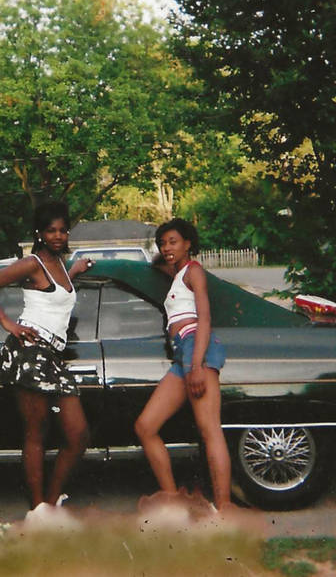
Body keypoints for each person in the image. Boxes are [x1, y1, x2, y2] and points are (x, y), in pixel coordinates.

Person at [0, 201, 93, 518]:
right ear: (39, 233)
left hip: (52, 355)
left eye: (62, 230)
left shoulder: (59, 264)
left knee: (78, 434)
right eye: (50, 230)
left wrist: (74, 272)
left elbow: (55, 297)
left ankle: (50, 504)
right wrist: (8, 323)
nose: (57, 236)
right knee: (36, 432)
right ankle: (38, 509)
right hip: (29, 351)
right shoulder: (32, 263)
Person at [134, 218, 232, 511]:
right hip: (181, 354)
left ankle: (224, 508)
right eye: (162, 243)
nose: (166, 248)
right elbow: (157, 263)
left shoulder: (194, 271)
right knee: (145, 426)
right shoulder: (177, 273)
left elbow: (205, 318)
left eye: (173, 242)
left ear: (188, 243)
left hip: (196, 348)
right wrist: (167, 256)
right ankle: (174, 500)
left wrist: (197, 365)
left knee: (209, 429)